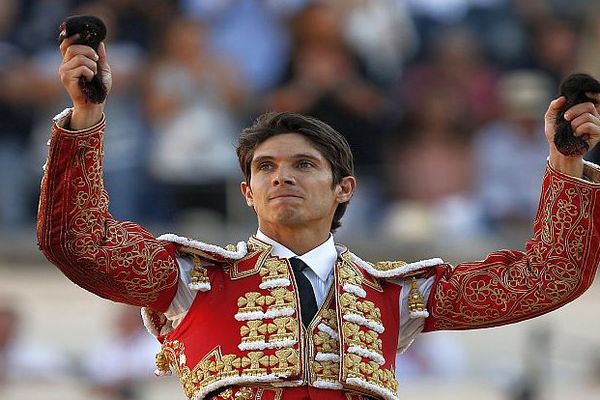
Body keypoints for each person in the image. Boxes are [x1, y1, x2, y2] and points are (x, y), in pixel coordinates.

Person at [37, 33, 600, 400]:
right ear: (248, 192)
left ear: (344, 190)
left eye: (304, 165)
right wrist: (87, 117)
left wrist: (565, 165)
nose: (281, 176)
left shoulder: (396, 294)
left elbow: (546, 278)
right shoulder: (193, 276)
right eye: (265, 168)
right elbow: (77, 240)